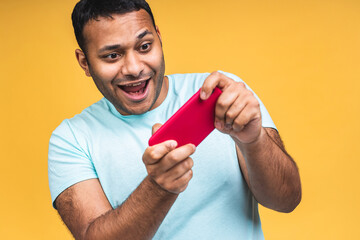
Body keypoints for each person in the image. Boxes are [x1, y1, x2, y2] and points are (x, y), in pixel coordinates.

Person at [48, 0, 302, 239]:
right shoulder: (71, 138)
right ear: (85, 62)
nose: (134, 68)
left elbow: (287, 200)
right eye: (112, 56)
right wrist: (159, 187)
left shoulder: (222, 92)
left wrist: (254, 140)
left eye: (144, 46)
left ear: (159, 37)